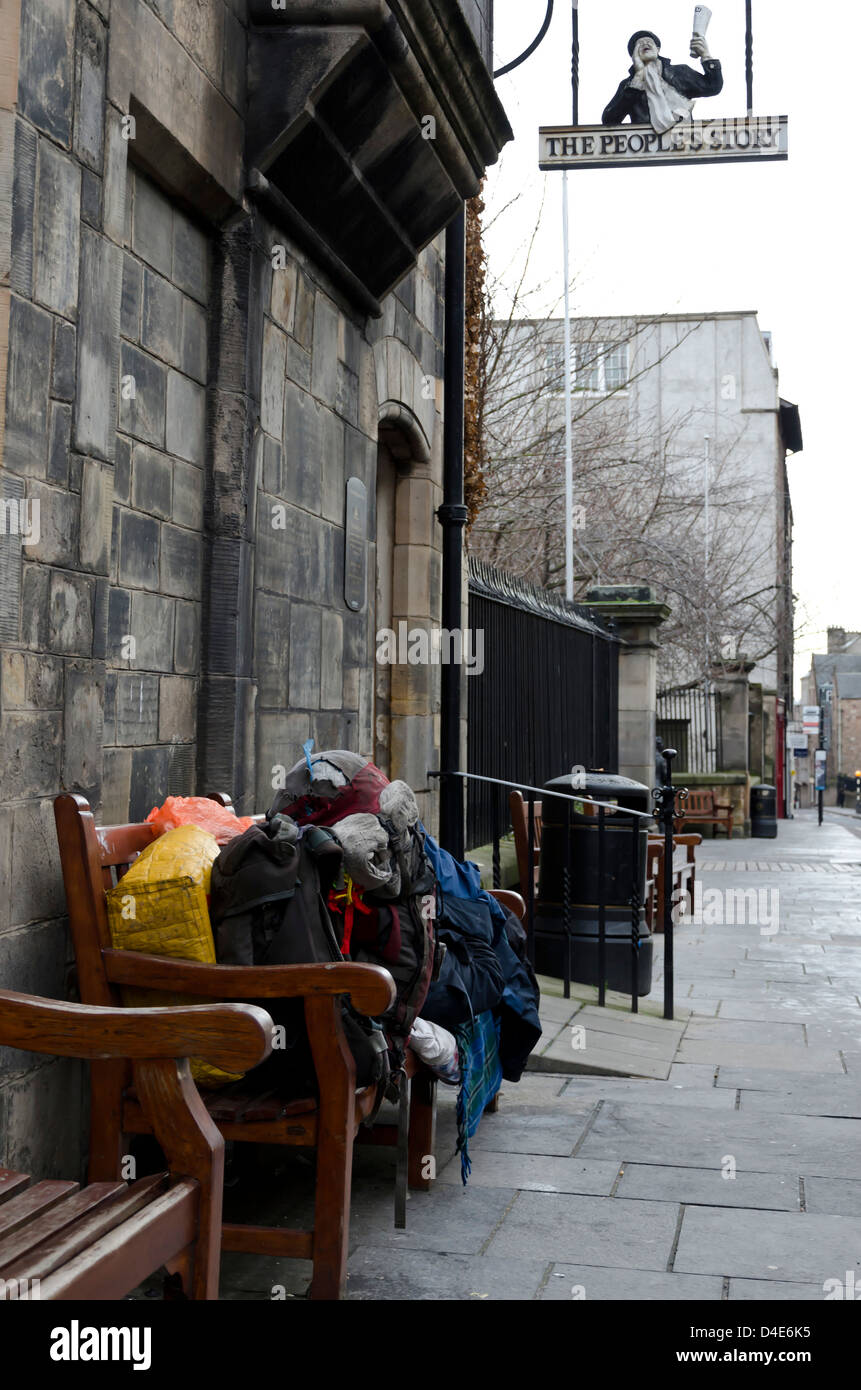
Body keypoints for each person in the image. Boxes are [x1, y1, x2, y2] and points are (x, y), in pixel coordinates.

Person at [603, 29, 723, 133]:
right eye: (639, 44)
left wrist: (705, 55)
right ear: (634, 54)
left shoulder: (680, 72)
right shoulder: (629, 85)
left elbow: (712, 87)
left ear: (658, 49)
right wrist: (638, 76)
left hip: (683, 142)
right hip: (647, 150)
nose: (645, 43)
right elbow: (609, 119)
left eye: (649, 42)